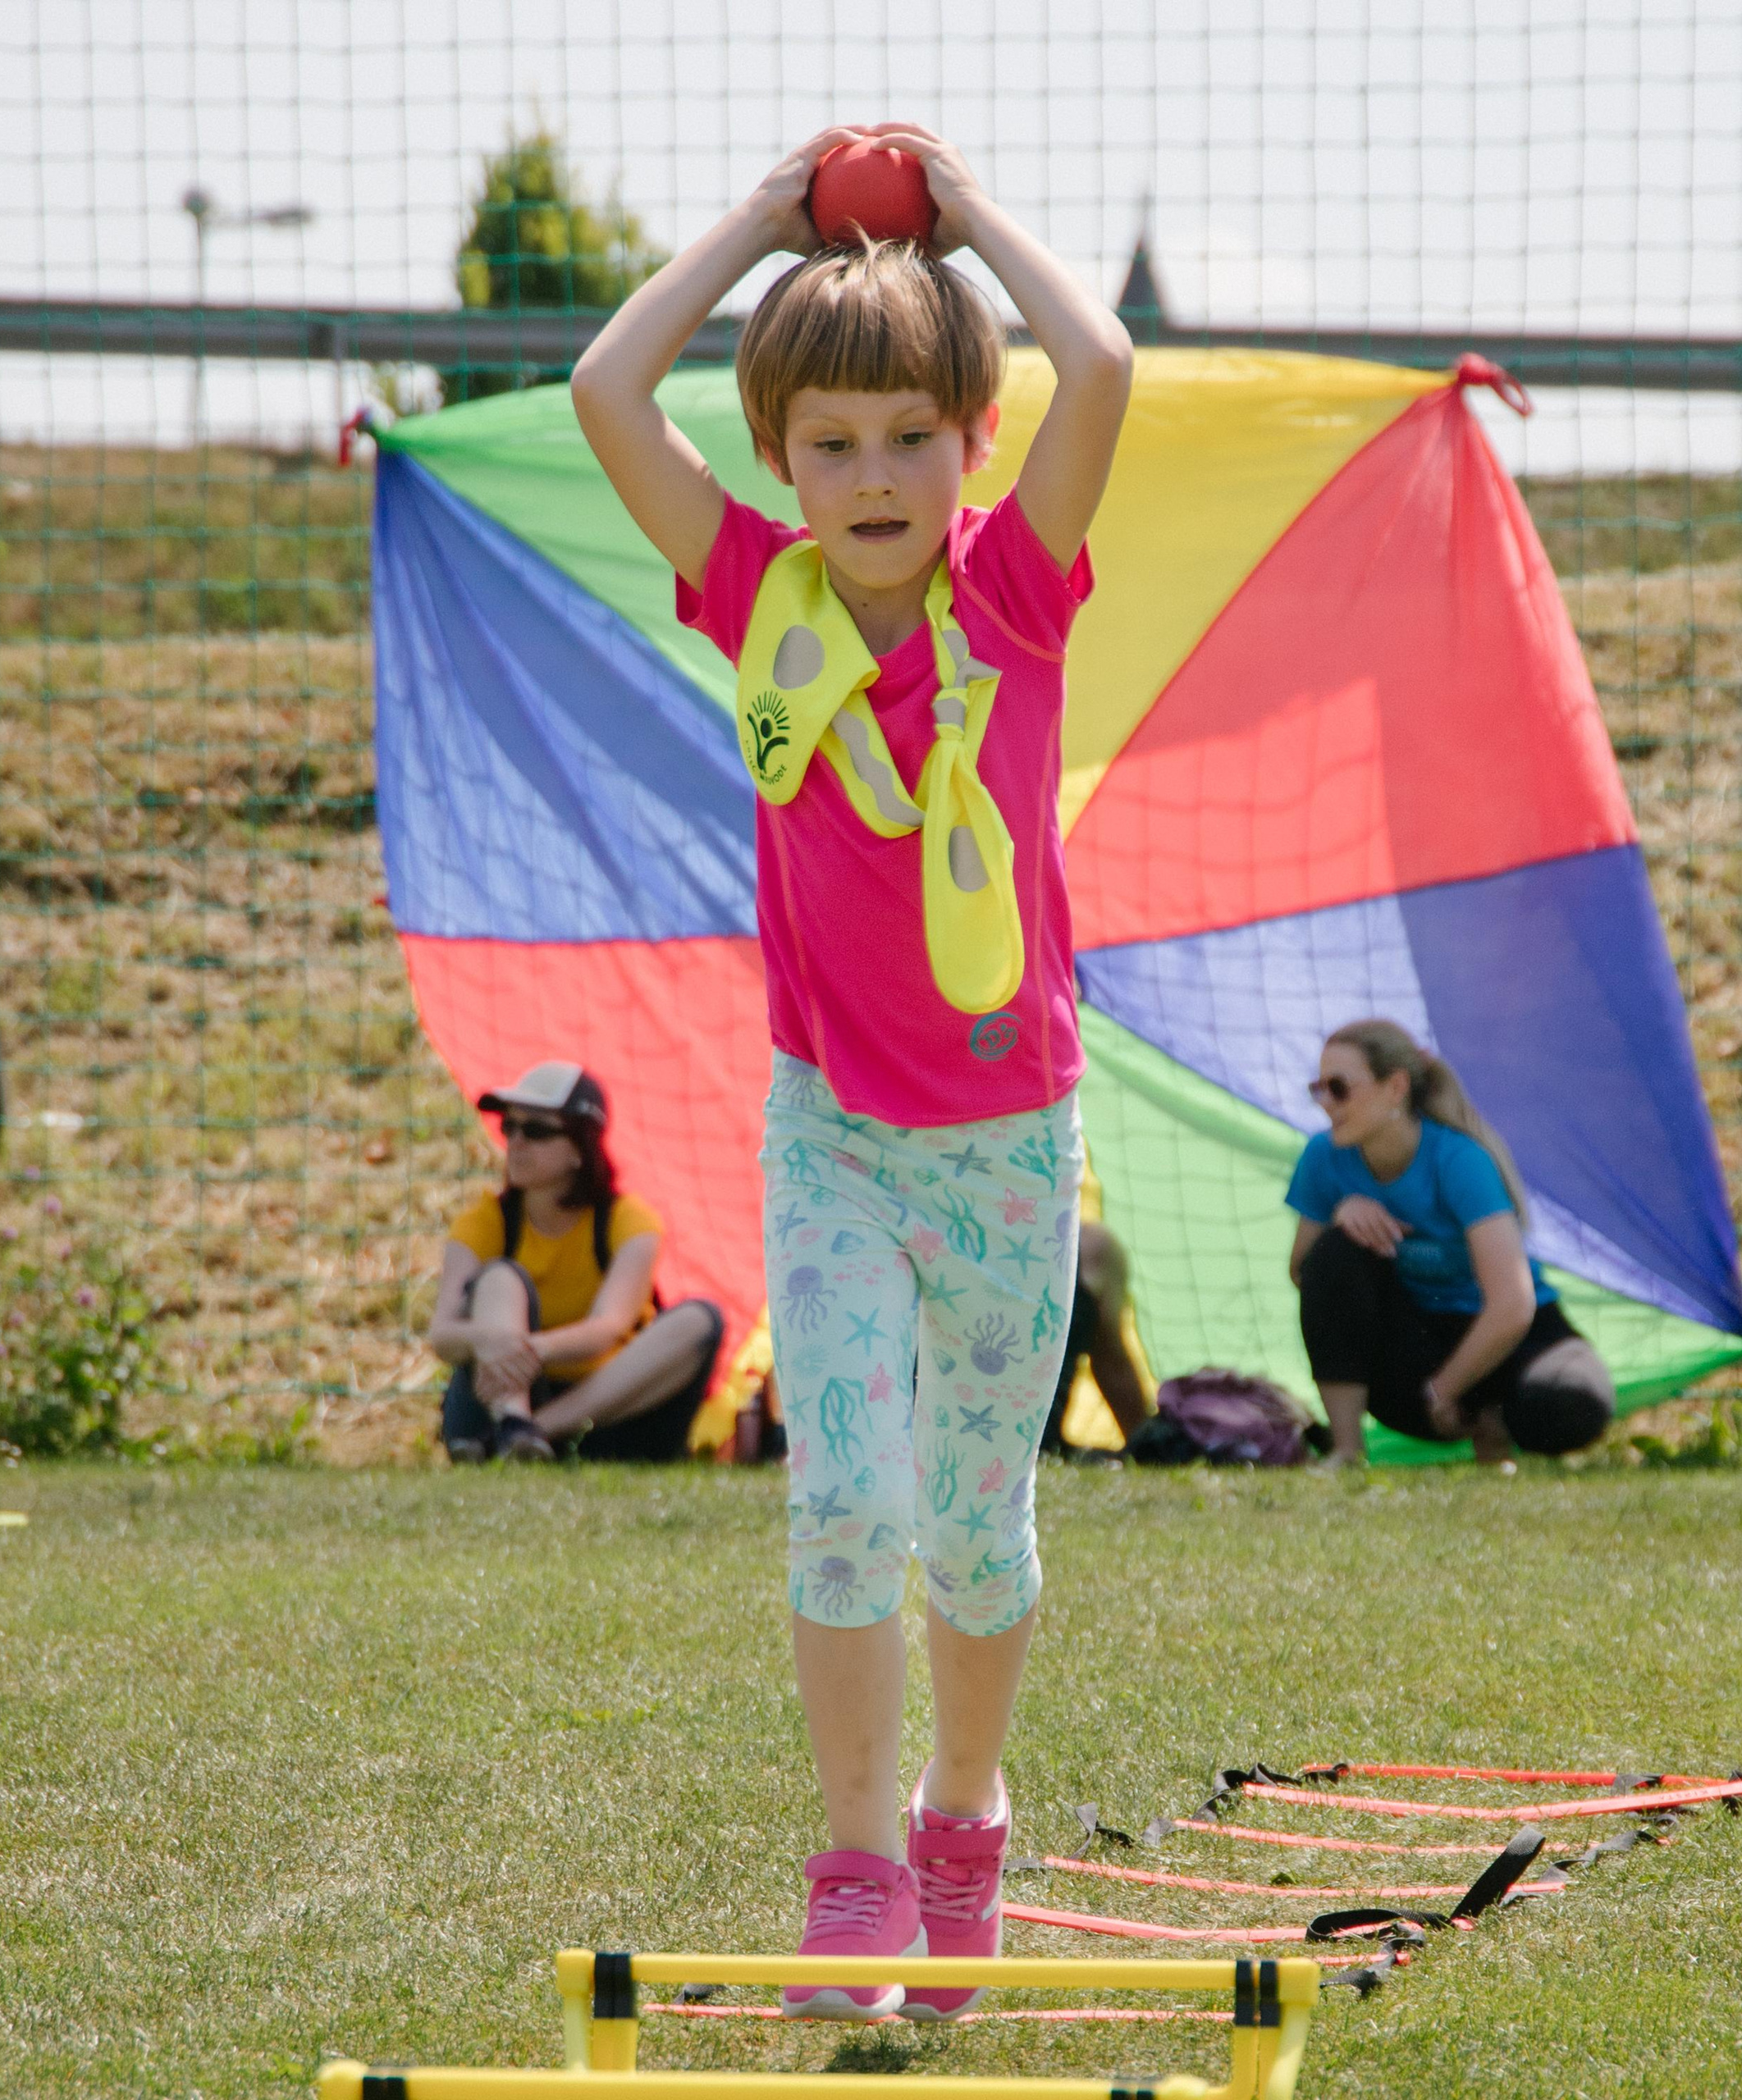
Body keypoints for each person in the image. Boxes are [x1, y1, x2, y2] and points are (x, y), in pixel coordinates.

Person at [573, 123, 1132, 2019]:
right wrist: (757, 222)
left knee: (977, 1530)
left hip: (1004, 1146)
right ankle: (853, 1871)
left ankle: (961, 1810)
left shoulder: (1016, 595)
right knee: (842, 1498)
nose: (872, 474)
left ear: (970, 442)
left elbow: (1106, 367)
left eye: (910, 434)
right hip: (831, 1142)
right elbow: (603, 387)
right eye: (828, 441)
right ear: (776, 461)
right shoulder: (750, 594)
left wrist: (964, 219)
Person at [1286, 1019, 1615, 1467]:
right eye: (1317, 1089)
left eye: (1339, 1087)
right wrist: (1342, 1216)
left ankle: (1496, 1424)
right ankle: (1346, 1452)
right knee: (1333, 1255)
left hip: (1509, 1337)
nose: (1326, 1103)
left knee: (1571, 1403)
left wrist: (1444, 1389)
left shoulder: (1458, 1160)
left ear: (1395, 1088)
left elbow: (1513, 1306)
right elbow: (1306, 1274)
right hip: (1418, 1338)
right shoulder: (1323, 1158)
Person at [429, 1062, 724, 1464]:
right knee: (499, 1280)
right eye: (509, 1128)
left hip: (605, 1411)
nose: (515, 1142)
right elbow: (442, 1334)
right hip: (500, 1398)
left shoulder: (628, 1220)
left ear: (580, 1149)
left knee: (701, 1319)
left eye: (535, 1131)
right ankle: (512, 1422)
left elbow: (608, 1328)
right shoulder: (484, 1220)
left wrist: (529, 1350)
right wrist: (489, 1342)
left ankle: (525, 1435)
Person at [1038, 1218, 1150, 1454]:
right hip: (1036, 1451)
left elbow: (1111, 1364)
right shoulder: (1092, 1247)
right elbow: (1112, 1363)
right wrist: (1151, 1449)